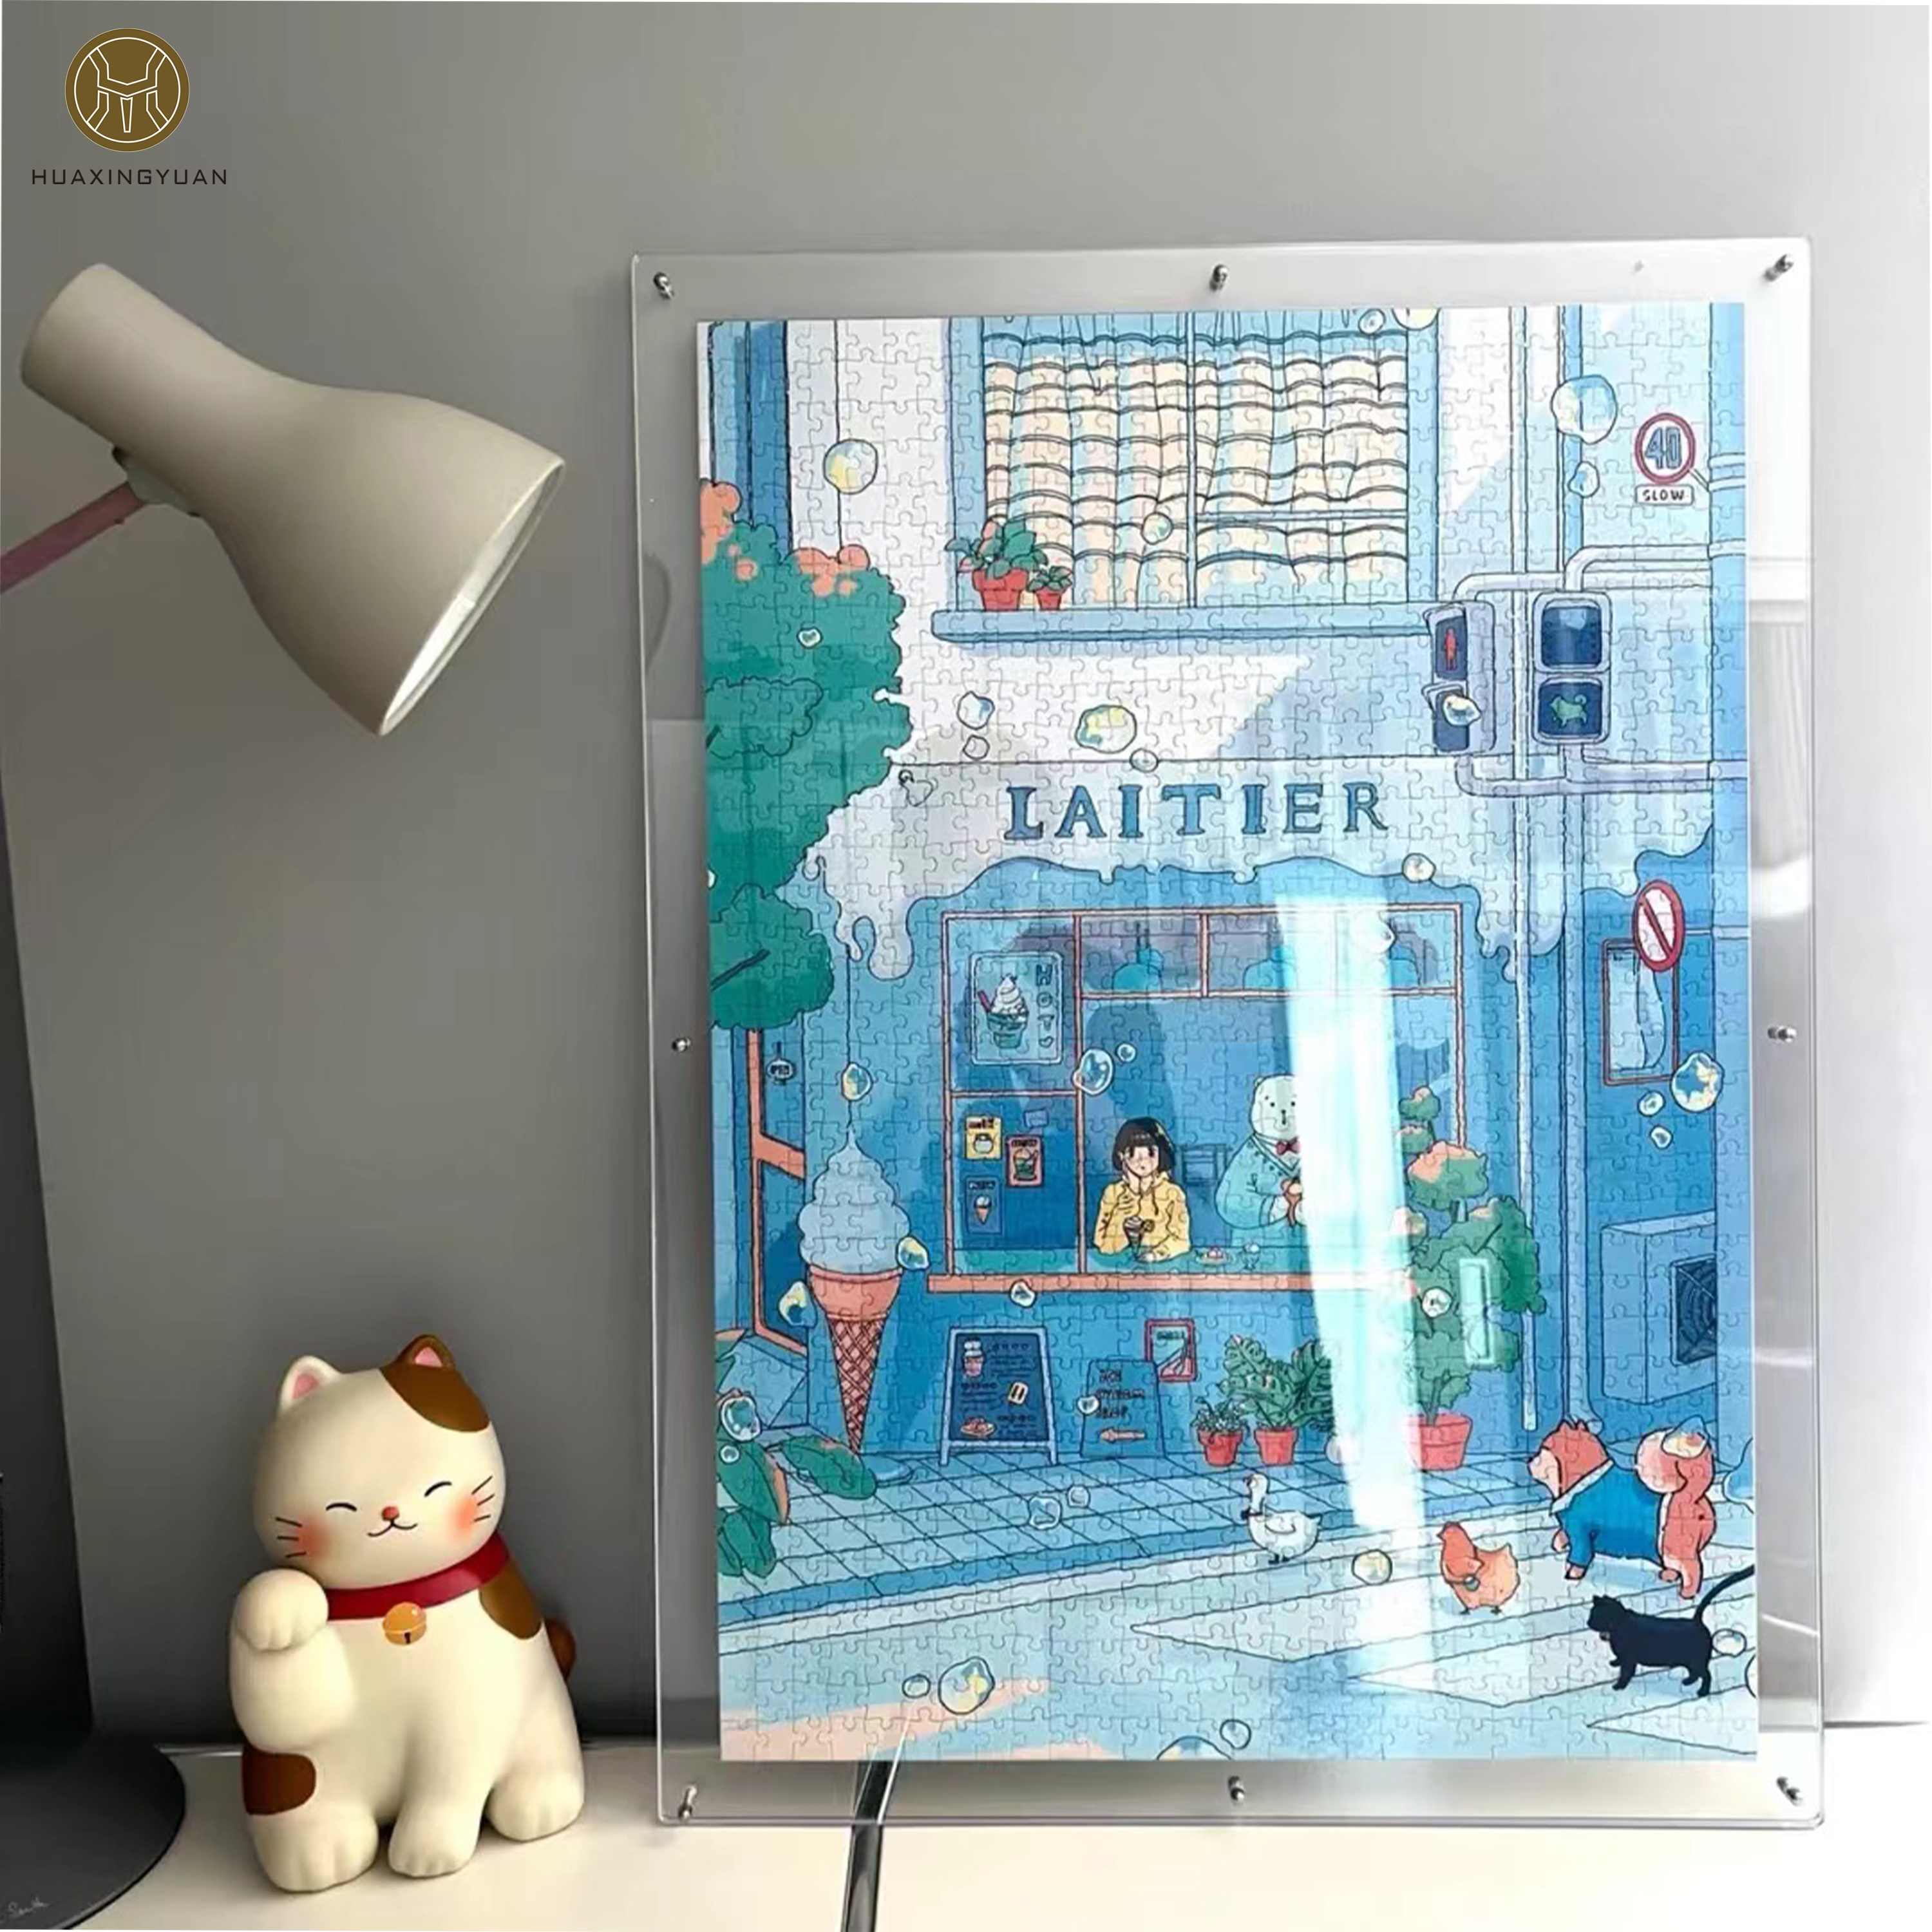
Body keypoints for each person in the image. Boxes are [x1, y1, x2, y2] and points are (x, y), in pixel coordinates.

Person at [1093, 1118, 1190, 1262]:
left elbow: (1182, 1241)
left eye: (1151, 1153)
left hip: (1163, 1266)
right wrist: (1121, 1213)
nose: (1142, 1161)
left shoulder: (1173, 1193)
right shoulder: (1113, 1193)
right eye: (1132, 1153)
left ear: (1161, 1154)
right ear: (1121, 1156)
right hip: (1119, 1267)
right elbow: (1105, 1247)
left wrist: (1156, 1255)